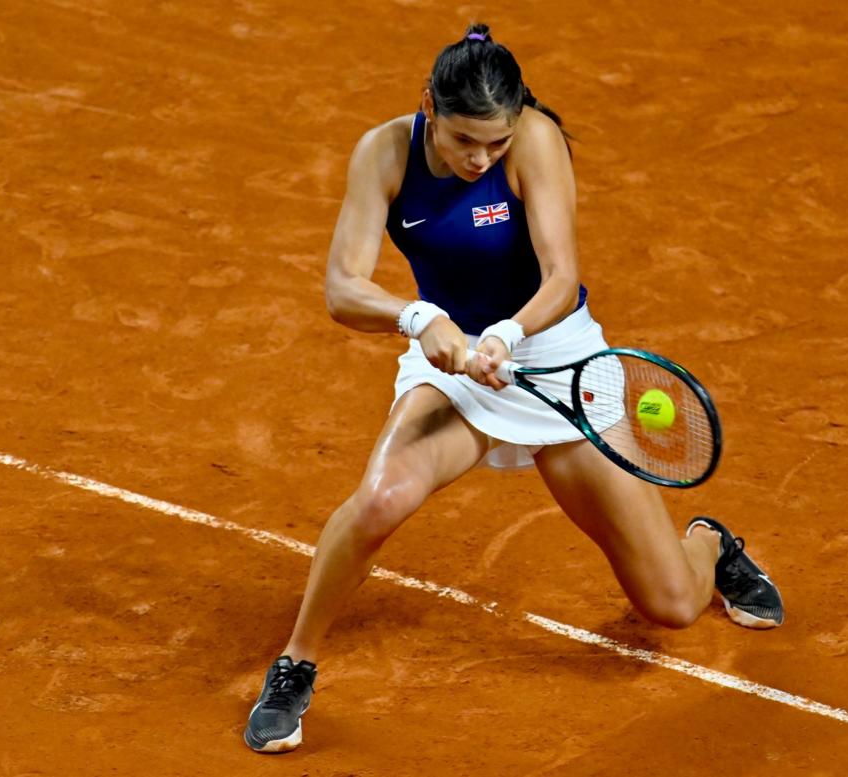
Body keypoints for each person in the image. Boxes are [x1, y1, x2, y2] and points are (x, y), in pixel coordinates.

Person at [244, 23, 784, 754]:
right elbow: (343, 288)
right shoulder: (383, 153)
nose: (481, 159)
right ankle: (296, 662)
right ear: (428, 105)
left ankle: (709, 542)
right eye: (466, 141)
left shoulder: (534, 138)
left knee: (672, 608)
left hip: (552, 359)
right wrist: (419, 316)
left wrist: (506, 336)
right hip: (453, 365)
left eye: (495, 145)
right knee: (380, 498)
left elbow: (561, 279)